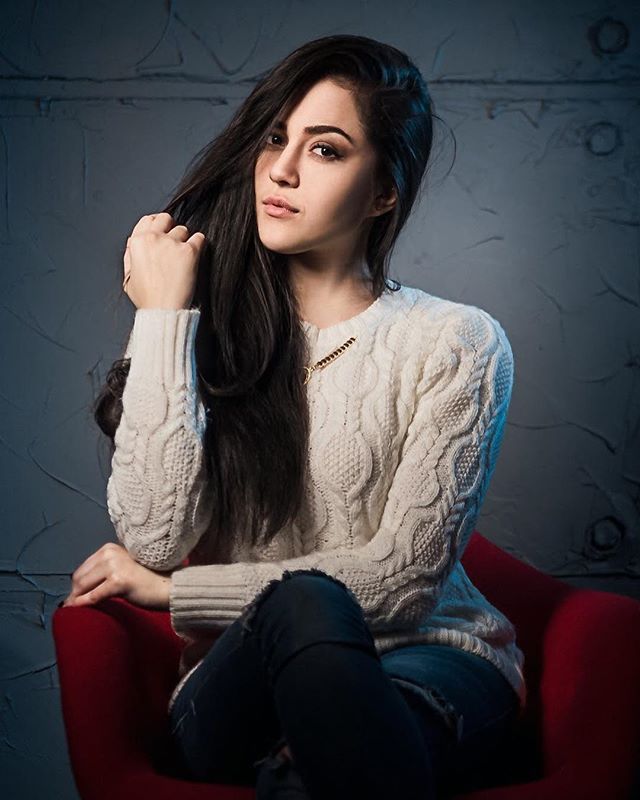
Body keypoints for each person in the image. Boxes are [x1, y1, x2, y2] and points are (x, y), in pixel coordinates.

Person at [63, 34, 526, 799]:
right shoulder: (197, 327)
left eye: (327, 150)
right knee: (306, 610)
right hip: (239, 678)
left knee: (317, 769)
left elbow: (404, 581)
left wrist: (177, 595)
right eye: (277, 138)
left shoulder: (457, 341)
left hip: (427, 654)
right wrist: (165, 319)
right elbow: (152, 535)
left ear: (384, 192)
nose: (280, 170)